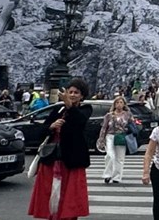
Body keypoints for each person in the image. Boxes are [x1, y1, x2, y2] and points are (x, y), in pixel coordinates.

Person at [28, 77, 92, 220]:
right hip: (52, 158)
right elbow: (41, 131)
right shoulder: (58, 109)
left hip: (71, 160)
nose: (73, 95)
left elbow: (80, 122)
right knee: (51, 195)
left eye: (77, 92)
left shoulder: (85, 109)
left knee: (70, 199)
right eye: (71, 92)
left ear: (82, 95)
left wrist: (69, 106)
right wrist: (51, 127)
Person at [97, 96, 132, 185]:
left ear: (124, 104)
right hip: (110, 136)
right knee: (110, 155)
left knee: (120, 158)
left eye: (121, 102)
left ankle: (117, 177)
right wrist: (101, 139)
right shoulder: (109, 115)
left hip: (121, 136)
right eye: (117, 102)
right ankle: (107, 175)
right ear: (114, 104)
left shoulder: (127, 114)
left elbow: (133, 125)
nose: (119, 104)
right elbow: (104, 128)